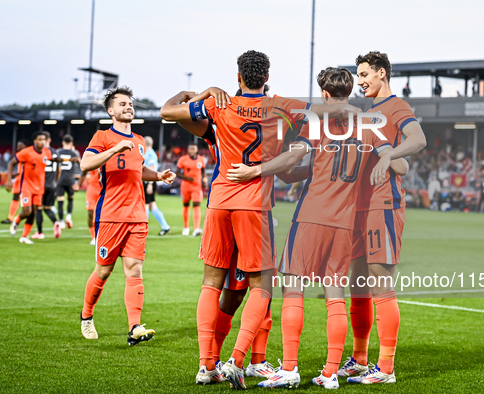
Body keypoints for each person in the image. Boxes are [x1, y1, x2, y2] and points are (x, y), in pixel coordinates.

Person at [161, 50, 361, 389]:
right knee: (262, 286)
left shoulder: (218, 105)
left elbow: (167, 110)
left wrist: (208, 91)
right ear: (267, 77)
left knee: (211, 283)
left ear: (237, 77)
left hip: (219, 201)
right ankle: (238, 359)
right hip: (254, 205)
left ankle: (206, 365)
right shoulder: (281, 105)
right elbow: (324, 112)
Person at [227, 67, 408, 389]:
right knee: (335, 293)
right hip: (346, 222)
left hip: (311, 215)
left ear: (324, 93)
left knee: (293, 288)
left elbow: (291, 159)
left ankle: (290, 368)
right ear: (350, 90)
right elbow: (401, 164)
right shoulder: (370, 125)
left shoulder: (317, 120)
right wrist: (382, 159)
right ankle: (329, 373)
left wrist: (255, 171)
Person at [341, 51, 426, 385]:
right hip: (360, 208)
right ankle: (360, 359)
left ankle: (386, 368)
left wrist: (389, 152)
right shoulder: (370, 114)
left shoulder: (396, 106)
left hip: (383, 206)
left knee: (380, 283)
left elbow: (418, 140)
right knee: (358, 283)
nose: (359, 81)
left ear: (381, 73)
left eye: (364, 75)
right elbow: (399, 165)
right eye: (357, 76)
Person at [78, 86, 176, 346]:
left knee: (134, 269)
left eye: (130, 104)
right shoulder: (102, 137)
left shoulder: (140, 140)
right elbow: (86, 164)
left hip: (137, 216)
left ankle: (135, 326)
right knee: (103, 270)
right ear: (111, 111)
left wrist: (158, 176)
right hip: (110, 215)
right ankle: (86, 316)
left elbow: (137, 169)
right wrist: (114, 149)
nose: (128, 107)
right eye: (122, 104)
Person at [6, 132, 53, 244]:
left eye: (43, 140)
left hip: (39, 187)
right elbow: (11, 163)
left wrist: (70, 160)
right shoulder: (26, 152)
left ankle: (24, 237)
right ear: (34, 141)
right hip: (26, 186)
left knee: (33, 213)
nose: (42, 142)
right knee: (27, 211)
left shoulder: (47, 152)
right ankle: (16, 221)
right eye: (39, 139)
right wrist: (8, 180)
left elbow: (54, 159)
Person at [33, 132, 62, 239]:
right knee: (48, 208)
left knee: (38, 208)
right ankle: (56, 222)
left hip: (40, 185)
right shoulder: (55, 152)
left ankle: (40, 233)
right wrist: (55, 182)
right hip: (52, 185)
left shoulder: (41, 152)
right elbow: (59, 170)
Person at [176, 142, 207, 236]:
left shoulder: (201, 159)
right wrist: (187, 178)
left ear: (197, 150)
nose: (192, 150)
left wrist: (204, 181)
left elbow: (203, 171)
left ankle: (196, 229)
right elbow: (177, 173)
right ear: (188, 150)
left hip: (197, 186)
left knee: (196, 204)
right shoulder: (183, 159)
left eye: (194, 149)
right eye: (191, 148)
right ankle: (186, 227)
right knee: (186, 205)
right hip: (186, 185)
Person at [143, 136, 171, 236]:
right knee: (152, 205)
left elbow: (153, 168)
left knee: (145, 205)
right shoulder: (149, 153)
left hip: (149, 182)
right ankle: (165, 226)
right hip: (149, 181)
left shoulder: (150, 154)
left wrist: (150, 183)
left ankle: (143, 227)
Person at [56, 135, 81, 229]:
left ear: (63, 142)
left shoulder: (58, 152)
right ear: (71, 143)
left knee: (60, 202)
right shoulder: (75, 153)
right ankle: (69, 217)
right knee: (70, 199)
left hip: (60, 180)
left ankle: (61, 222)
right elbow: (81, 164)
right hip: (71, 180)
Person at [1, 140, 28, 224]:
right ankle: (10, 218)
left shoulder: (28, 154)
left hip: (27, 181)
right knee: (15, 197)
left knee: (28, 201)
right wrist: (15, 175)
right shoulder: (20, 155)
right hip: (19, 179)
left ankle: (22, 218)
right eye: (17, 146)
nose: (18, 147)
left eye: (20, 145)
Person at [77, 168, 102, 245]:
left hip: (103, 188)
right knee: (90, 212)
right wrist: (78, 185)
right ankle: (94, 236)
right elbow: (84, 171)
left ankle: (103, 235)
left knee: (103, 214)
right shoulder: (93, 157)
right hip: (92, 189)